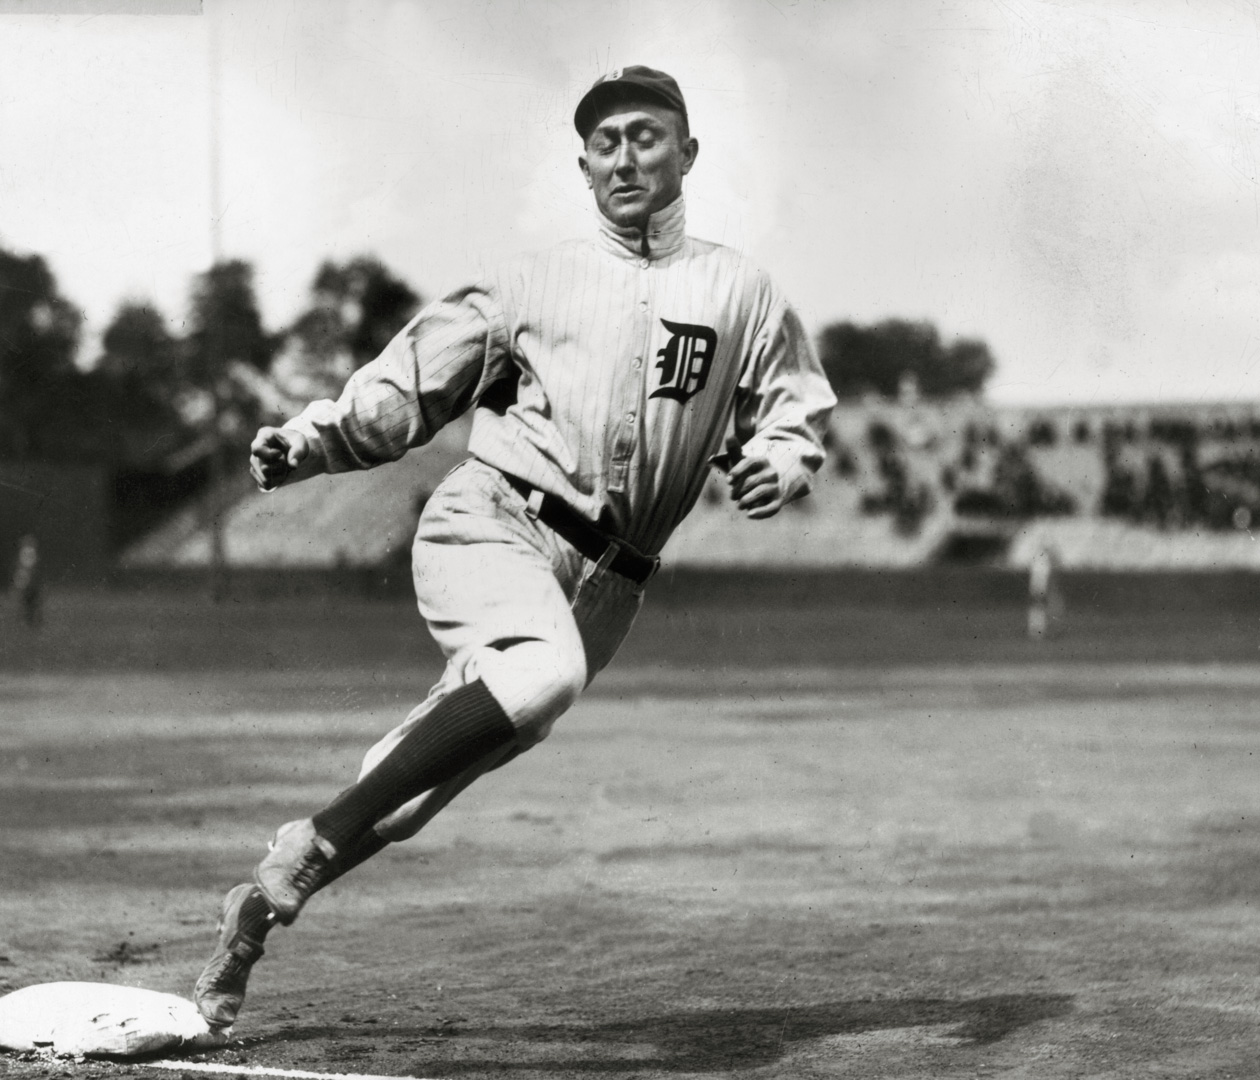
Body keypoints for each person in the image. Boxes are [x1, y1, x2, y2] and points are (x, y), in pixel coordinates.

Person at [193, 65, 836, 1029]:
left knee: (406, 797)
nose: (626, 154)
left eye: (647, 135)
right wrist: (310, 440)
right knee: (539, 677)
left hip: (611, 586)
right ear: (584, 165)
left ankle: (264, 901)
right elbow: (409, 387)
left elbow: (792, 411)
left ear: (687, 153)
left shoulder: (741, 292)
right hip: (496, 520)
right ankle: (304, 851)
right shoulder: (532, 283)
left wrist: (784, 462)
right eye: (607, 140)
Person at [11, 534, 42, 629]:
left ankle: (28, 621)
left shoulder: (27, 551)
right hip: (27, 579)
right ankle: (28, 621)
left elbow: (26, 566)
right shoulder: (28, 551)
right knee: (28, 601)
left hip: (27, 579)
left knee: (28, 601)